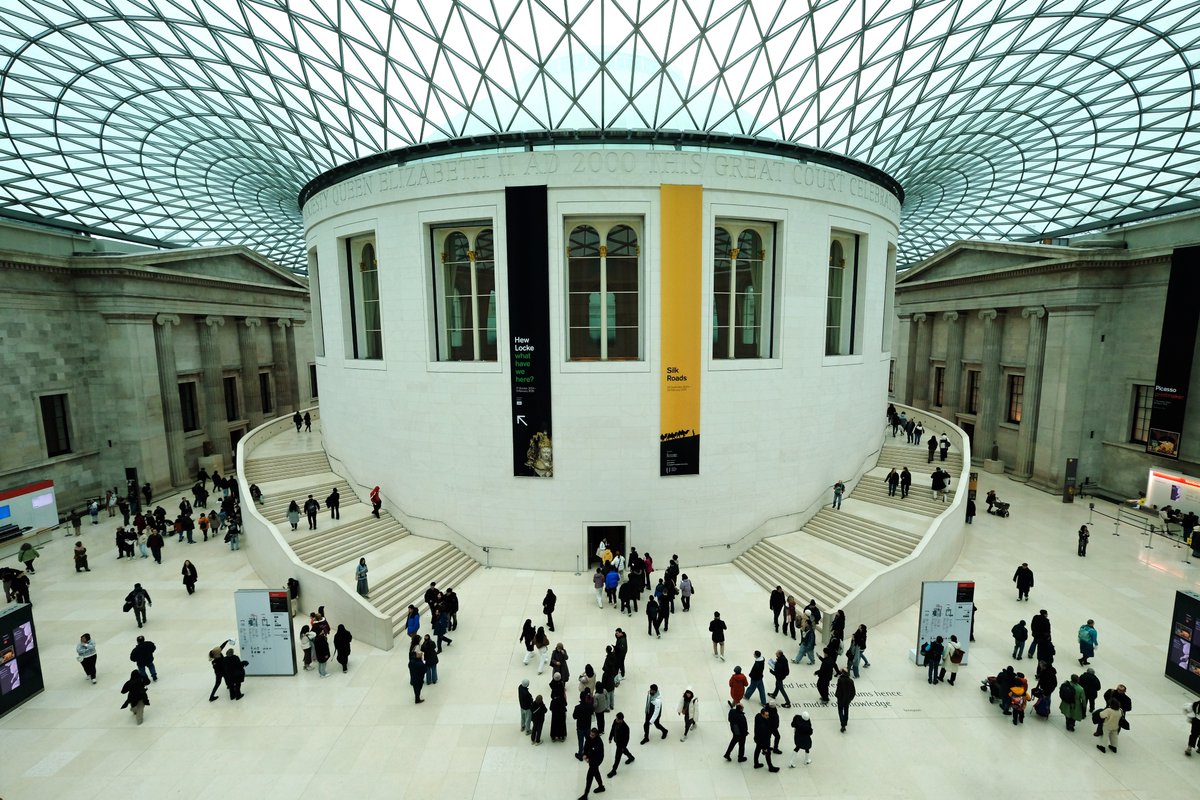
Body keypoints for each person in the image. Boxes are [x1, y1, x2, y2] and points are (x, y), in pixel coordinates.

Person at [579, 727, 605, 798]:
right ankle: (601, 787)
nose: (591, 736)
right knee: (596, 773)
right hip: (591, 758)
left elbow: (595, 753)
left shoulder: (599, 743)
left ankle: (585, 795)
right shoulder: (589, 737)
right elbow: (586, 745)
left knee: (589, 777)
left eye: (592, 735)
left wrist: (588, 758)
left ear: (596, 735)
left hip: (596, 760)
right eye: (590, 734)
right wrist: (584, 754)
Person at [753, 707, 780, 771]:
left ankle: (756, 763)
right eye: (766, 715)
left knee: (757, 750)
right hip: (764, 741)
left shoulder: (758, 716)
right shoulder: (764, 726)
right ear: (762, 714)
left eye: (768, 715)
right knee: (768, 754)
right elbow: (765, 736)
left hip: (757, 738)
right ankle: (770, 767)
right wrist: (764, 747)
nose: (768, 717)